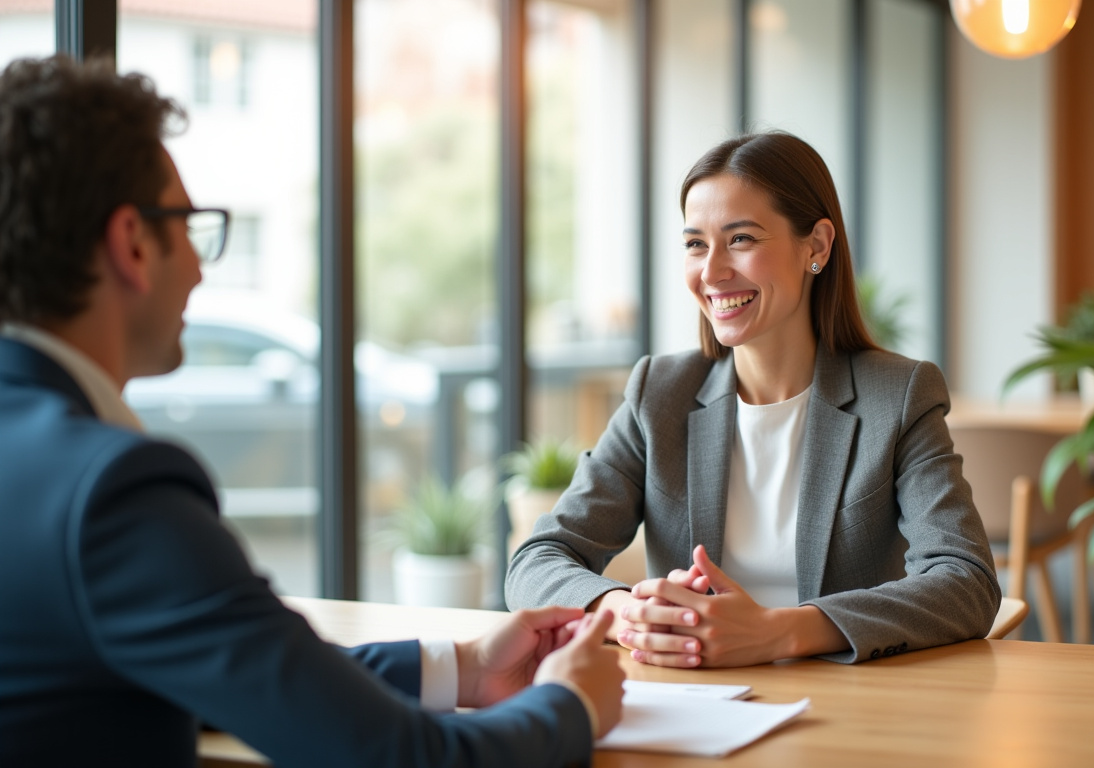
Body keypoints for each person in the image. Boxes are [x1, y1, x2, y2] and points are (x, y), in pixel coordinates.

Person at [0, 56, 623, 768]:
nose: (202, 270)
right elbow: (404, 758)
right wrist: (569, 703)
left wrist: (467, 666)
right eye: (192, 228)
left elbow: (233, 671)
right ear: (133, 244)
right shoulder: (110, 494)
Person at [506, 132, 1000, 668]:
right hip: (700, 705)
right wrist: (627, 615)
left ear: (816, 246)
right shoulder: (660, 394)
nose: (712, 272)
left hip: (850, 709)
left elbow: (966, 580)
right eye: (696, 243)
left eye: (741, 239)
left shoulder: (898, 396)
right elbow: (537, 560)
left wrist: (779, 632)